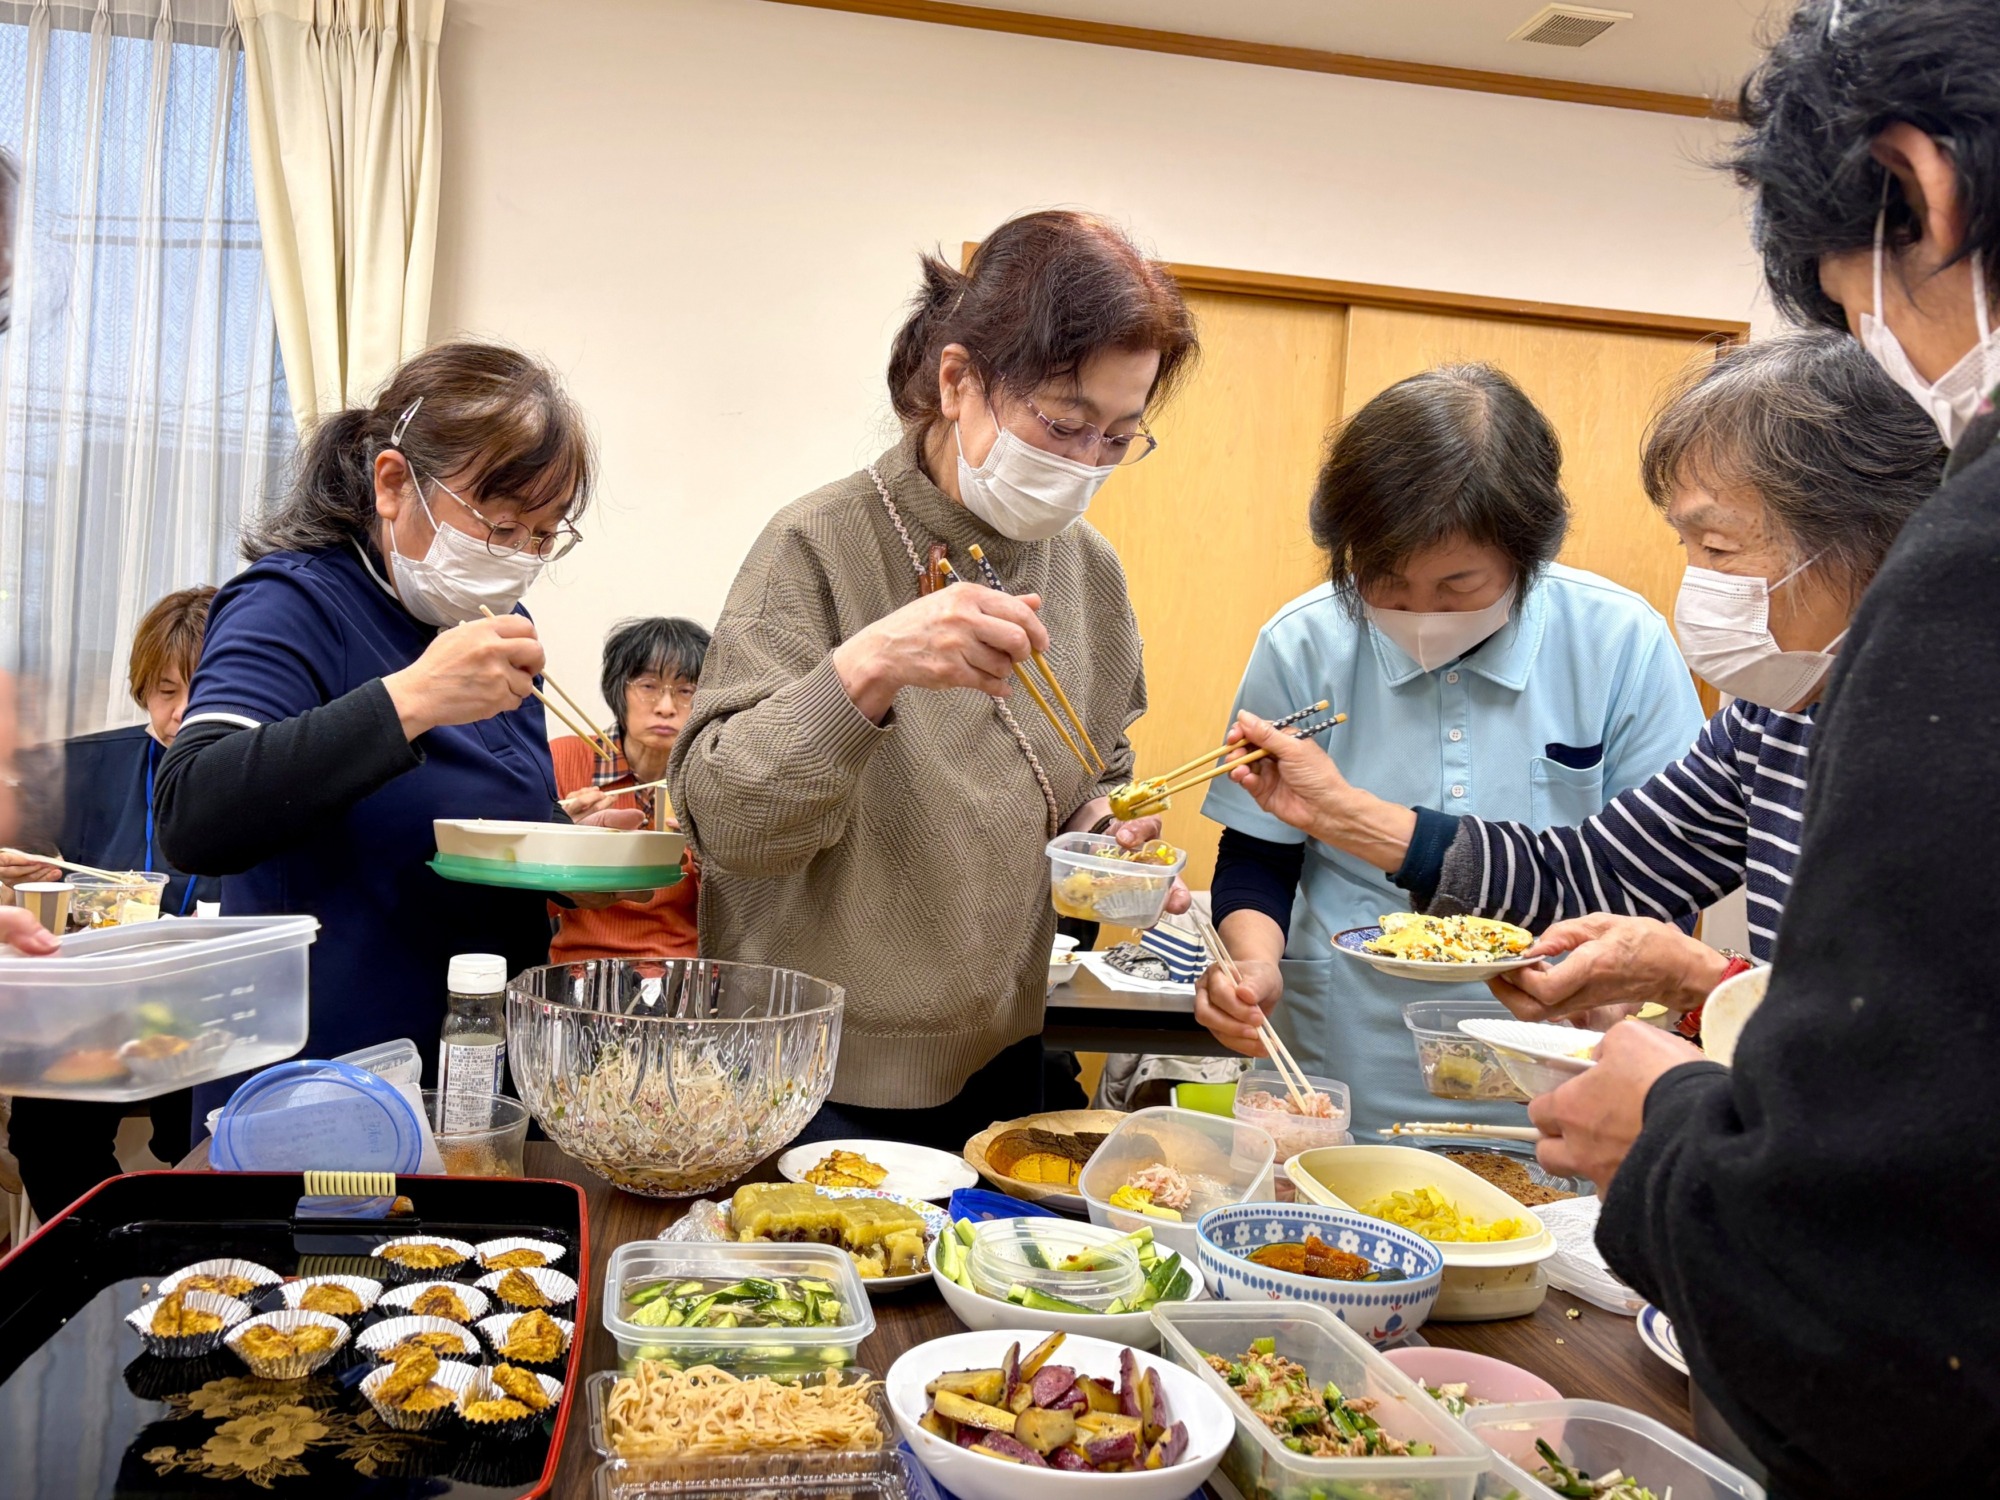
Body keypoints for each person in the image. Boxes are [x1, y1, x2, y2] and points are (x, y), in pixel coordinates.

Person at [1526, 5, 2000, 1495]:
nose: (1889, 351)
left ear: (1915, 186)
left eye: (1864, 307)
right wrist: (1715, 983)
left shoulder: (1961, 589)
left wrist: (1664, 1122)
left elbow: (1865, 1250)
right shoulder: (1768, 712)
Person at [1199, 333, 1942, 1041]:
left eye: (1717, 546)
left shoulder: (1955, 735)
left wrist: (1695, 982)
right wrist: (1339, 813)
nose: (1701, 586)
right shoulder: (1765, 722)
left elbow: (1911, 1035)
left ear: (1865, 535)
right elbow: (1598, 871)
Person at [672, 210, 1196, 1150]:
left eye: (1117, 439)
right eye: (1064, 423)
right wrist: (870, 667)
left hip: (1008, 1053)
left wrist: (1104, 836)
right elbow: (727, 820)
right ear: (959, 381)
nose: (1083, 465)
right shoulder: (818, 542)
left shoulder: (1089, 572)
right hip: (807, 1075)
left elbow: (1095, 773)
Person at [1195, 364, 1704, 1132]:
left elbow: (1670, 874)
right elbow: (1261, 849)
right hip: (1341, 1056)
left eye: (1458, 586)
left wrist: (1628, 998)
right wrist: (1252, 964)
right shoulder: (1304, 642)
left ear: (1527, 556)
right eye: (1385, 583)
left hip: (1559, 1053)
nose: (1419, 612)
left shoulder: (1620, 642)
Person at [156, 341, 634, 1120]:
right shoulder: (294, 601)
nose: (515, 558)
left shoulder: (496, 626)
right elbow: (192, 812)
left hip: (477, 1080)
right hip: (318, 1088)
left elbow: (444, 831)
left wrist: (559, 842)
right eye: (500, 522)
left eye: (542, 535)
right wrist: (408, 699)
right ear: (392, 483)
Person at [1, 586, 229, 1215]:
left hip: (211, 1009)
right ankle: (109, 1246)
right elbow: (23, 875)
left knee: (216, 1136)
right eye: (165, 691)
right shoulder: (84, 770)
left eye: (202, 690)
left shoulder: (260, 778)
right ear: (142, 692)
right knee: (46, 1138)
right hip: (96, 1006)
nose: (182, 711)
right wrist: (23, 873)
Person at [548, 616, 709, 962]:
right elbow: (526, 902)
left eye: (686, 691)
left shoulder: (712, 774)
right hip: (578, 968)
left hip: (687, 974)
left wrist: (710, 857)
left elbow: (737, 912)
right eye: (648, 686)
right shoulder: (562, 758)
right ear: (618, 689)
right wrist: (558, 843)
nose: (666, 707)